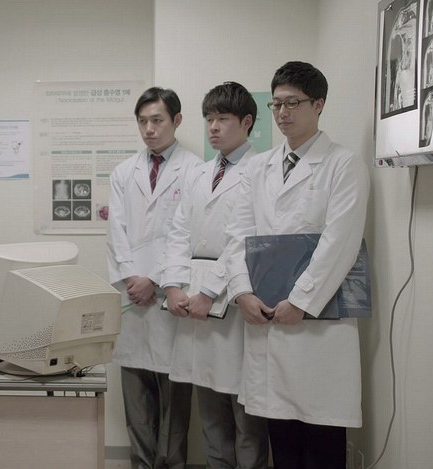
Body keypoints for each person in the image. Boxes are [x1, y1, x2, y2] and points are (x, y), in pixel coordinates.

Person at [224, 62, 370, 469]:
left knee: (322, 438)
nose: (283, 113)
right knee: (282, 440)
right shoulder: (258, 168)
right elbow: (237, 236)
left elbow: (340, 244)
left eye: (293, 103)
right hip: (266, 318)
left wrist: (302, 301)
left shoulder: (344, 164)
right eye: (276, 104)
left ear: (318, 105)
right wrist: (241, 291)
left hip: (318, 325)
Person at [161, 82, 268, 469]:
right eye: (209, 119)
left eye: (223, 118)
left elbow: (244, 239)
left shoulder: (262, 170)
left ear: (247, 122)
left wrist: (209, 291)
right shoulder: (199, 173)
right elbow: (178, 232)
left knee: (245, 410)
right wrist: (173, 286)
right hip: (192, 301)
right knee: (208, 404)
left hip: (234, 300)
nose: (214, 127)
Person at [106, 86, 202, 469]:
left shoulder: (195, 170)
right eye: (143, 121)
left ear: (176, 120)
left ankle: (171, 464)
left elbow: (188, 235)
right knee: (136, 396)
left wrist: (155, 279)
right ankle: (141, 463)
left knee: (174, 397)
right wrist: (133, 278)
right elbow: (116, 232)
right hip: (133, 298)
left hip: (169, 295)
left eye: (157, 120)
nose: (149, 129)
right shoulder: (123, 172)